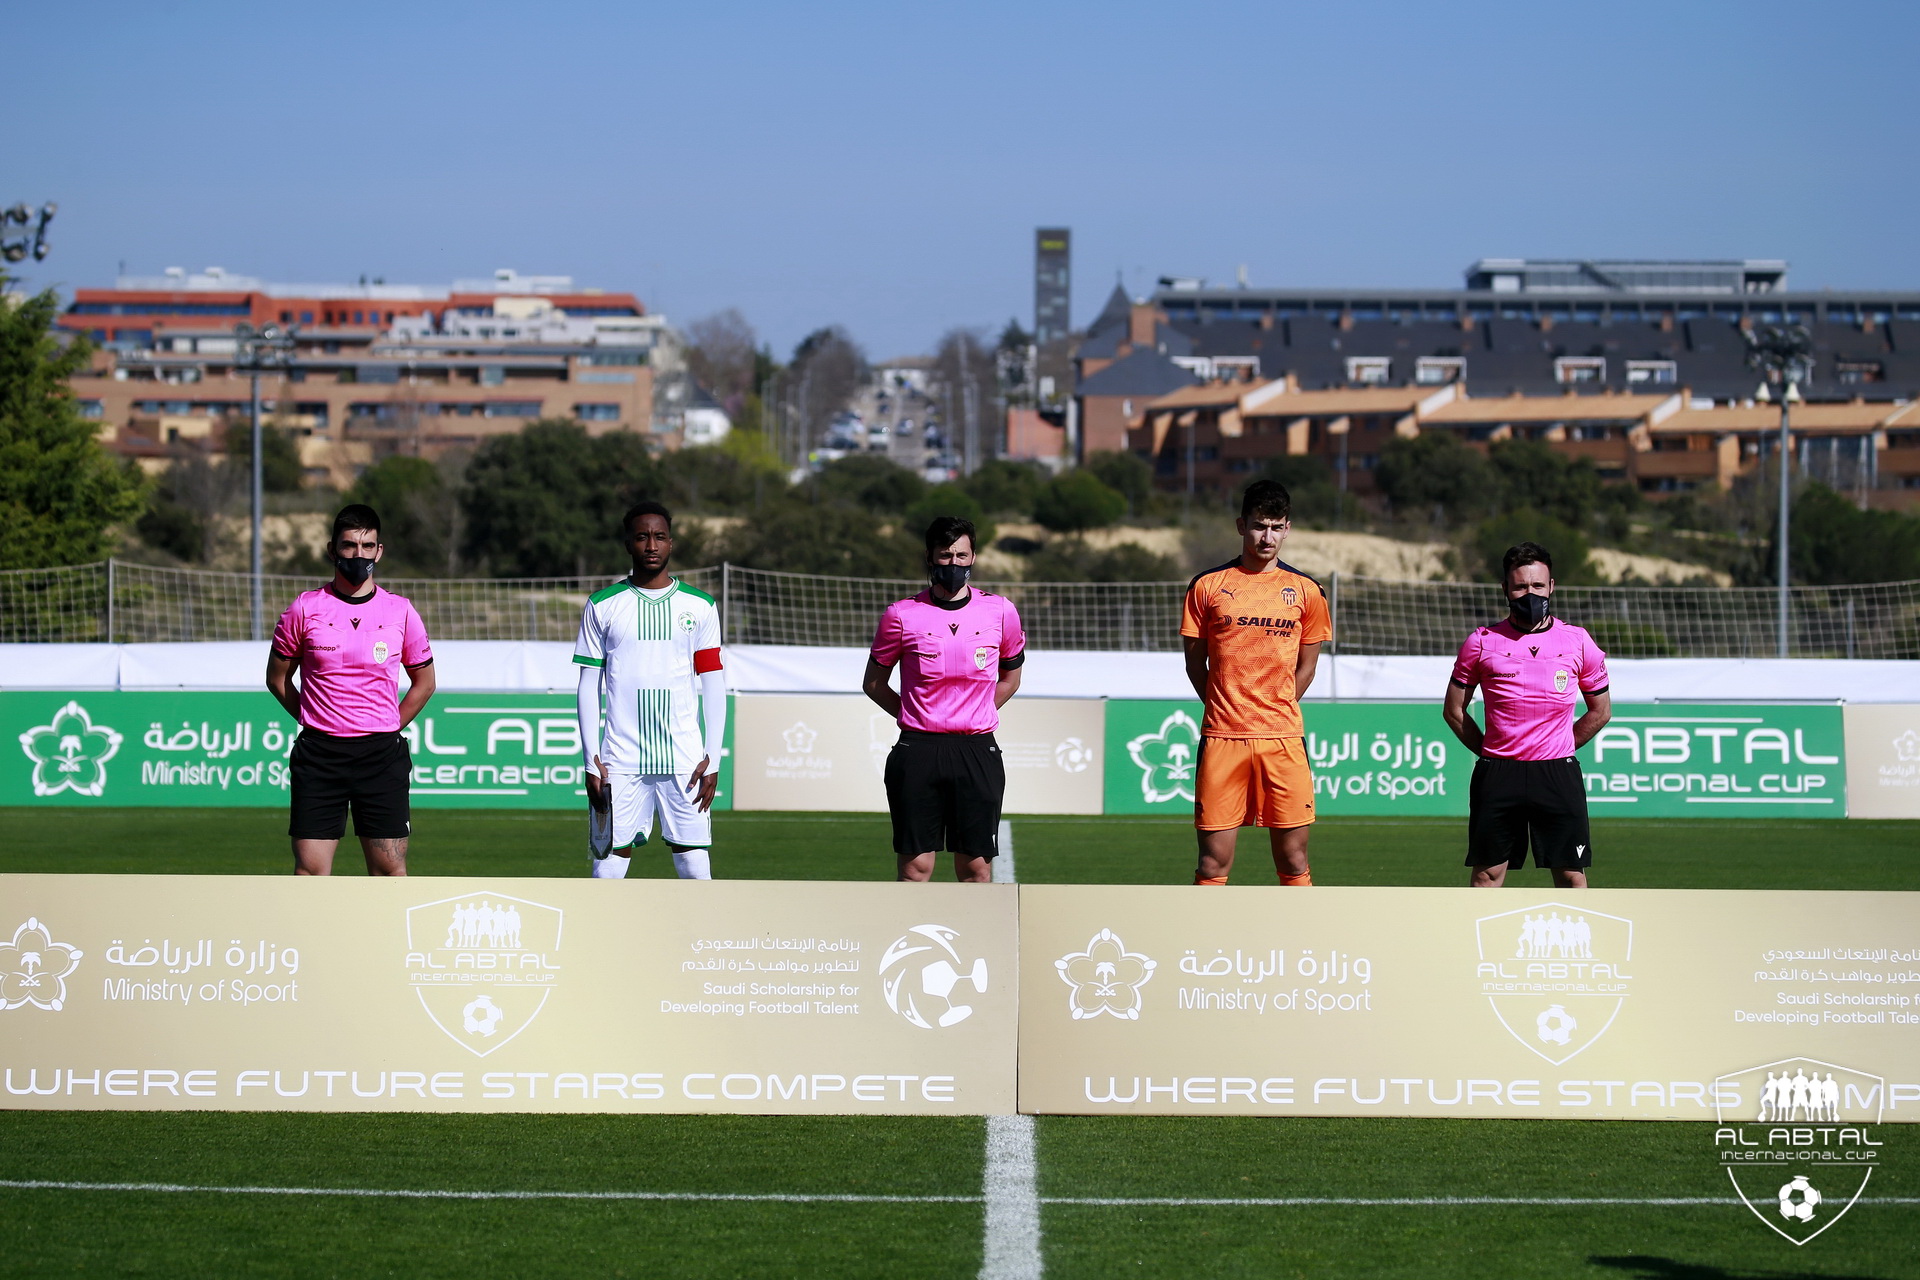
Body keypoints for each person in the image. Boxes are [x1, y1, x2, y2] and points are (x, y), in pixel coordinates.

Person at [266, 504, 435, 876]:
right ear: (332, 550)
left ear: (379, 551)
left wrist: (389, 725)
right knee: (310, 873)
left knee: (389, 873)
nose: (358, 556)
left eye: (367, 546)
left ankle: (385, 937)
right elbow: (277, 679)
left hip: (380, 757)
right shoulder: (304, 608)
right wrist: (318, 719)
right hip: (320, 755)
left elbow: (425, 684)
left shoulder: (400, 611)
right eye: (348, 547)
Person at [1181, 479, 1332, 886]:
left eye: (1276, 527)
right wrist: (1224, 703)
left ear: (1287, 529)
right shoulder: (1207, 586)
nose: (1267, 537)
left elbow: (1308, 667)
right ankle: (1204, 946)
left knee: (1294, 858)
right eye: (1258, 525)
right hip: (1223, 738)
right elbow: (1195, 663)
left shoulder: (1307, 591)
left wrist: (1276, 703)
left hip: (1282, 738)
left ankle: (1301, 944)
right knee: (1213, 864)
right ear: (1241, 525)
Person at [862, 515, 1025, 882]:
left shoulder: (1000, 611)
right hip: (918, 750)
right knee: (916, 869)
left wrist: (978, 711)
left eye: (961, 556)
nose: (953, 564)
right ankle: (914, 938)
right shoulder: (901, 615)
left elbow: (1011, 677)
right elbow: (873, 683)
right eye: (945, 555)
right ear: (930, 557)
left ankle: (975, 940)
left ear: (973, 558)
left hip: (976, 750)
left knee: (976, 870)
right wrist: (916, 716)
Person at [1442, 541, 1612, 888]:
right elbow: (1454, 711)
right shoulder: (1481, 641)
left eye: (1537, 586)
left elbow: (1601, 711)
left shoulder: (1577, 641)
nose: (1529, 594)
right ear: (1505, 589)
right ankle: (1475, 944)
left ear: (1551, 586)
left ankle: (1578, 943)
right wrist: (1493, 751)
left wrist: (1560, 745)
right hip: (1499, 773)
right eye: (1520, 586)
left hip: (1557, 772)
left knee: (1571, 875)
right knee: (1487, 876)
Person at [574, 501, 725, 880]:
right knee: (607, 866)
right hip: (621, 759)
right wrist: (590, 757)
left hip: (685, 760)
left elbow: (714, 682)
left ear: (671, 543)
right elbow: (587, 683)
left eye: (659, 537)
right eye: (642, 537)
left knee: (693, 863)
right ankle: (600, 939)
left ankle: (702, 939)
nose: (651, 545)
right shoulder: (603, 605)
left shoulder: (701, 606)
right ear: (628, 544)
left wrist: (714, 758)